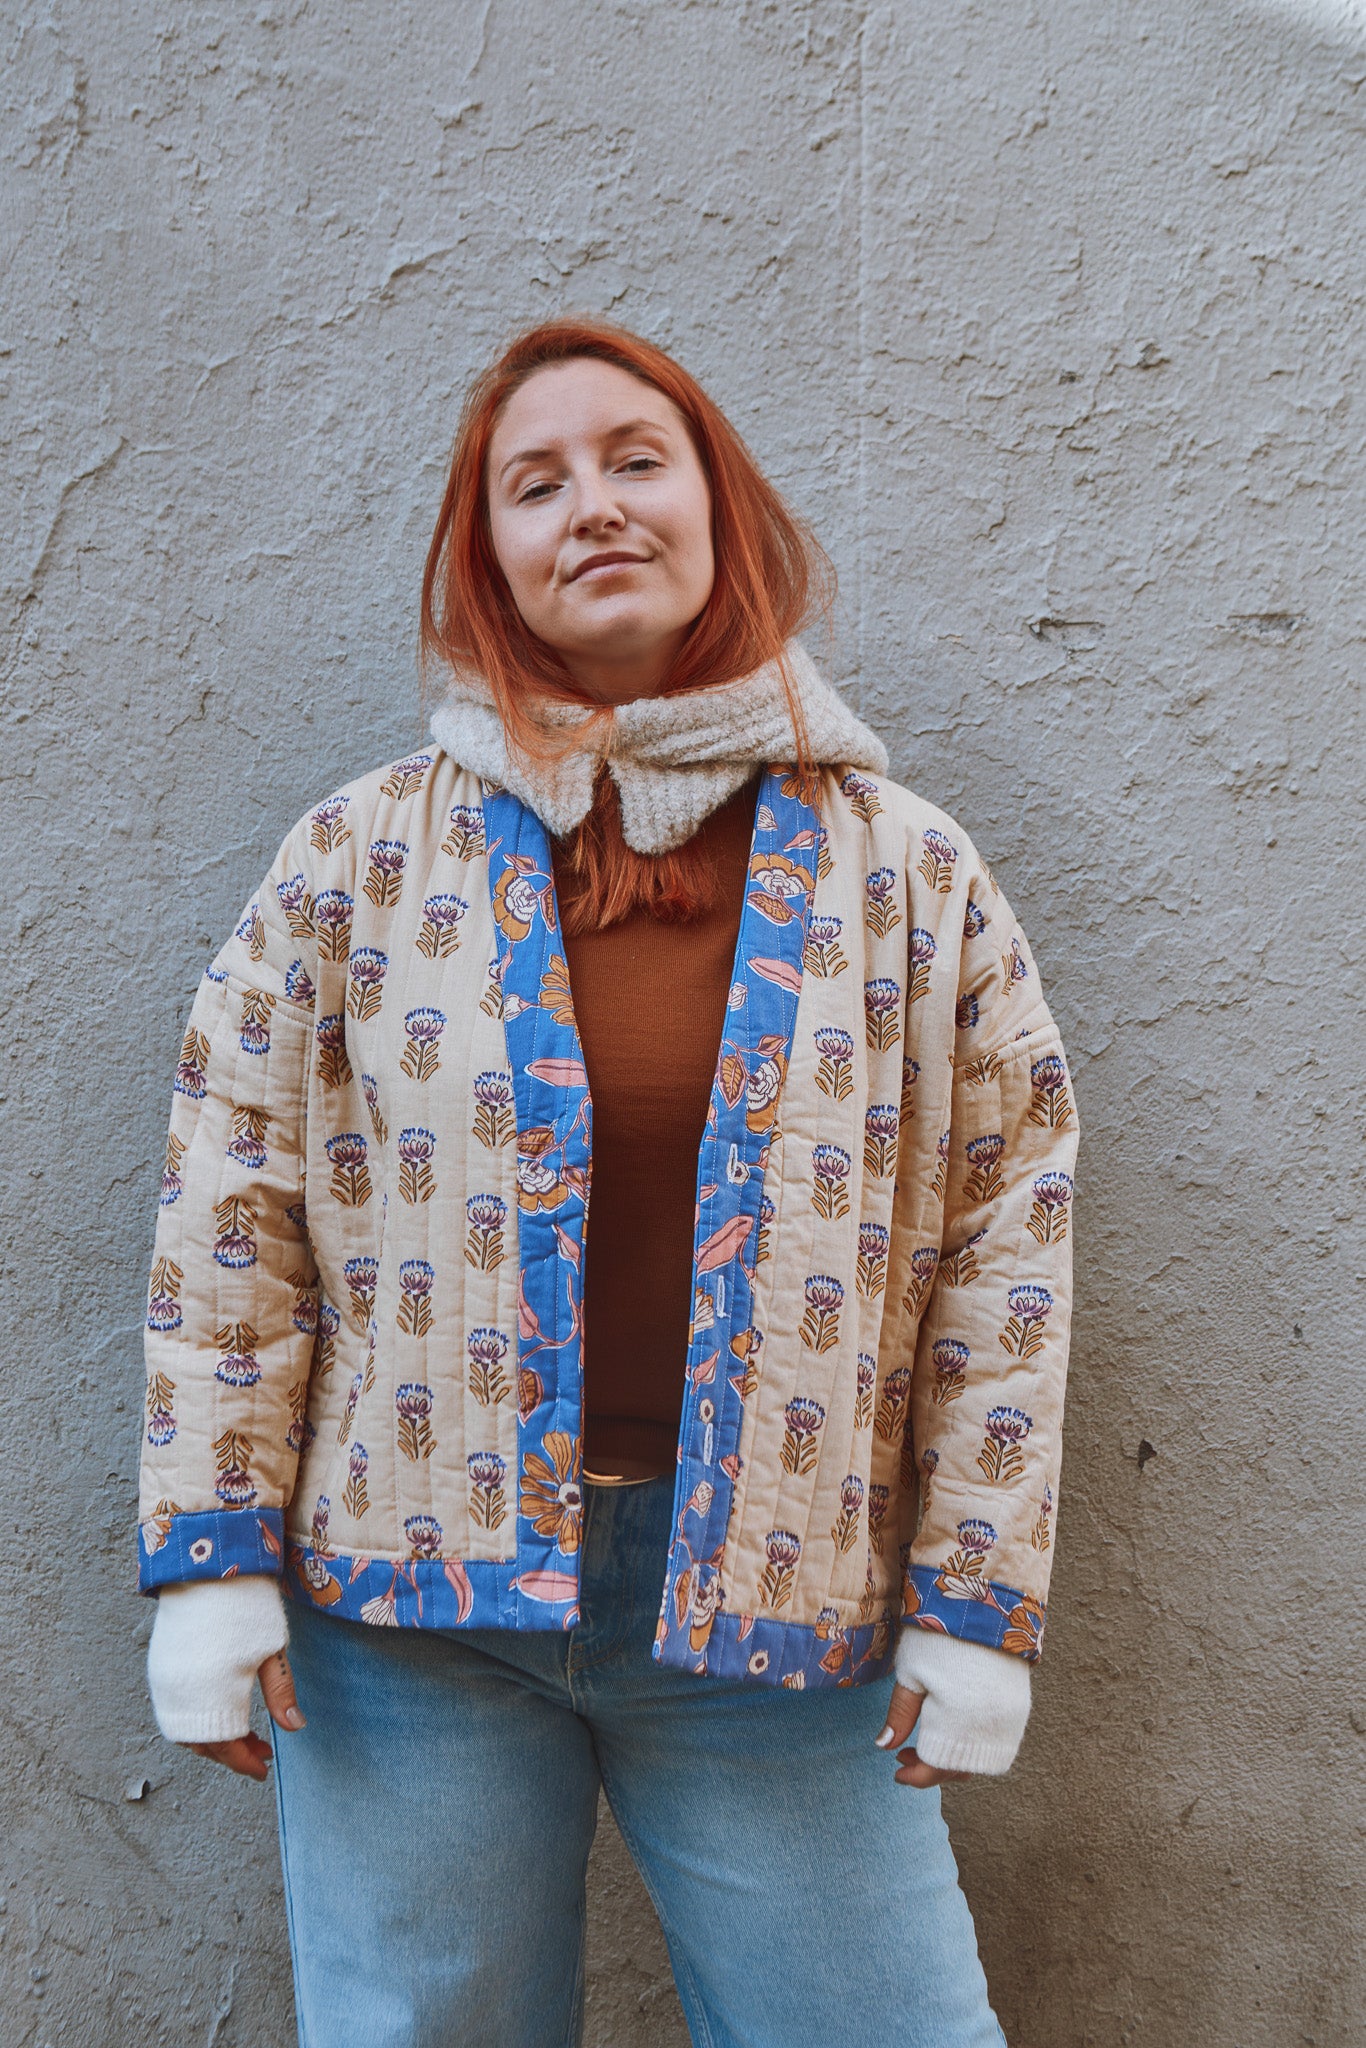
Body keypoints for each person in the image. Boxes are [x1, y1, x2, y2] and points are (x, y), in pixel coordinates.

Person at [139, 317, 1079, 2048]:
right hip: (408, 1617)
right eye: (536, 483)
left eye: (637, 461)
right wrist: (211, 1556)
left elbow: (1003, 1231)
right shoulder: (357, 859)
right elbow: (234, 1197)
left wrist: (976, 1596)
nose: (593, 506)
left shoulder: (902, 873)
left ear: (720, 509)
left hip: (777, 1608)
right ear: (484, 555)